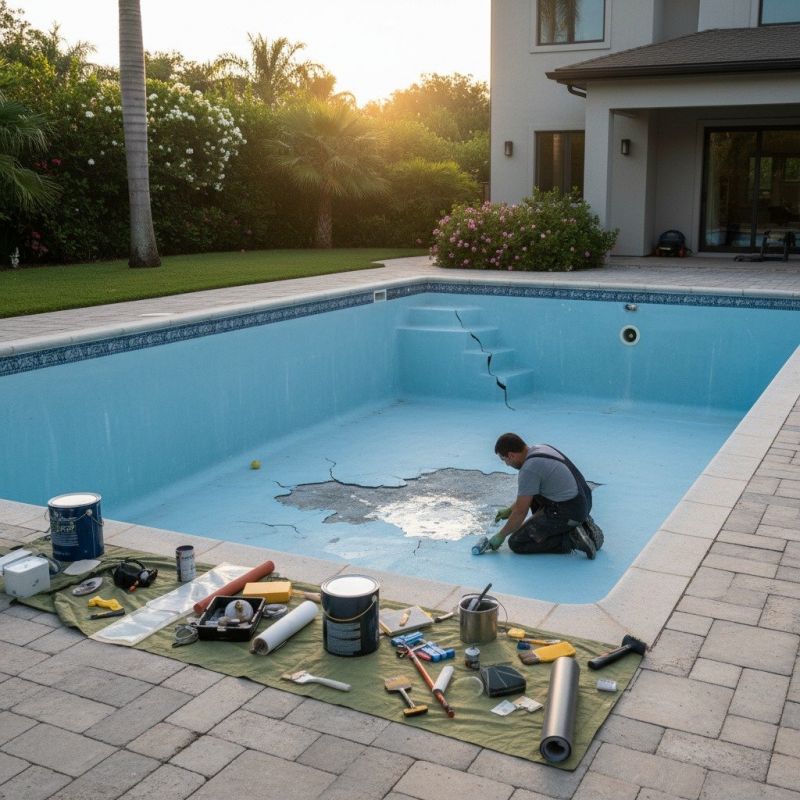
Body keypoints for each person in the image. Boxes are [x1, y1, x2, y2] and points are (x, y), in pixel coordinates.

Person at [488, 432, 604, 559]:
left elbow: (520, 513)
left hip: (570, 510)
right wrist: (510, 510)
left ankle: (570, 538)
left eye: (504, 460)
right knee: (532, 493)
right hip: (583, 502)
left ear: (511, 455)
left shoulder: (529, 469)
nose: (506, 464)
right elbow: (526, 497)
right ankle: (579, 524)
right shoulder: (541, 448)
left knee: (517, 542)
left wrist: (501, 535)